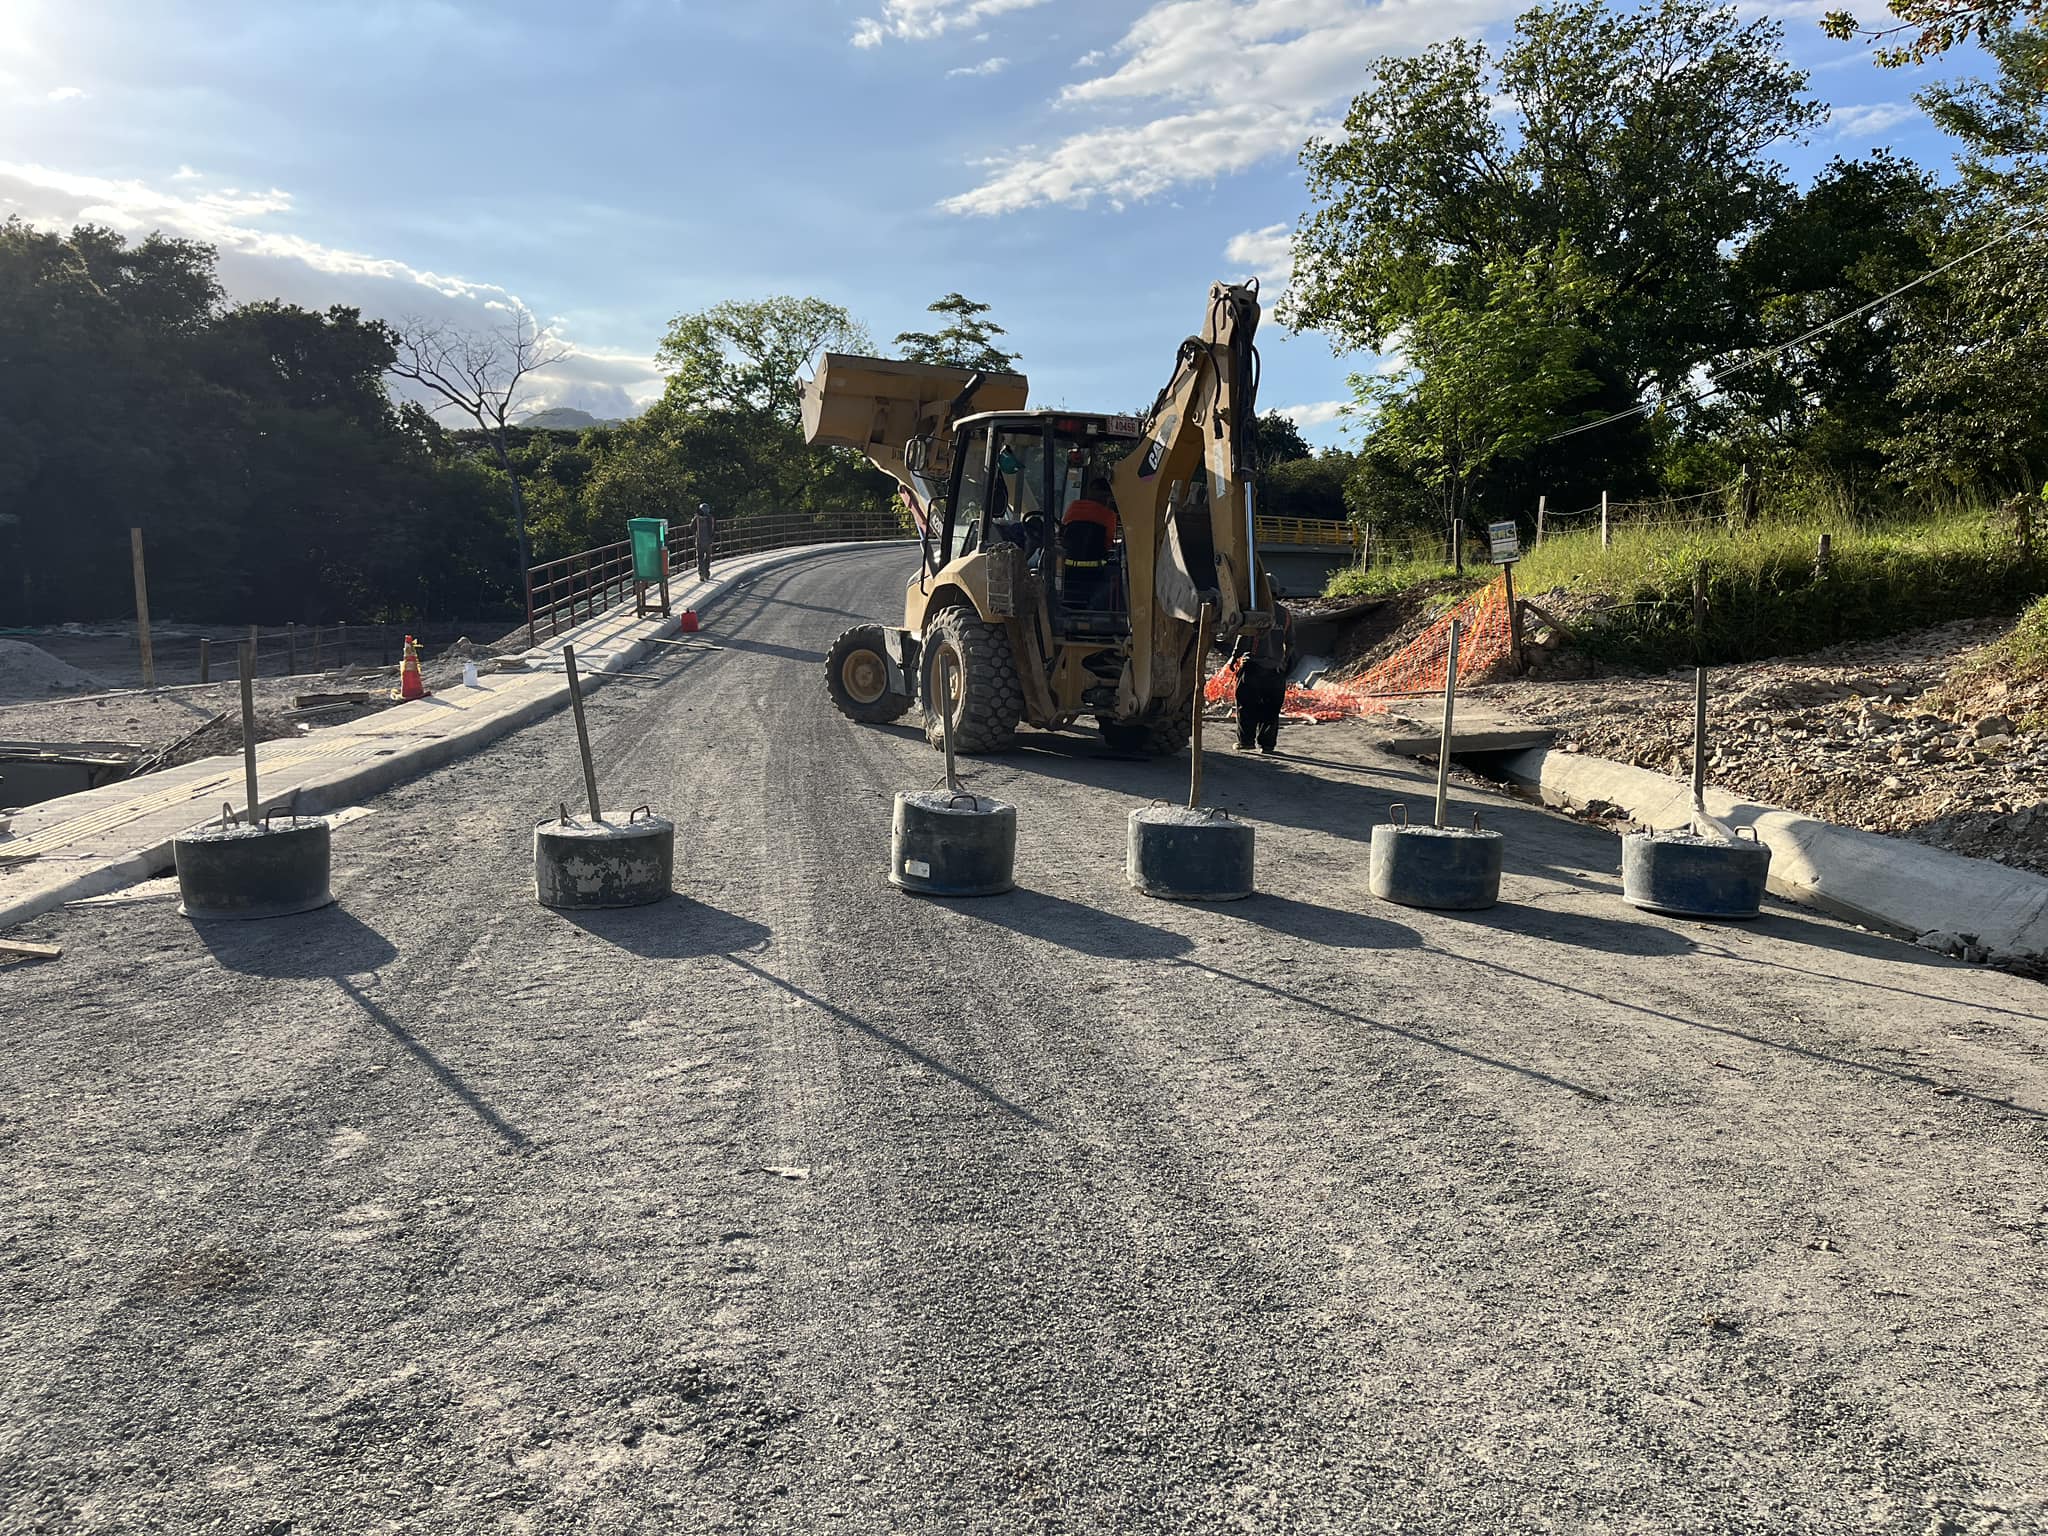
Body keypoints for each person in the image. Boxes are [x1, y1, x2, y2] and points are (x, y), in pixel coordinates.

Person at [1231, 590, 1296, 754]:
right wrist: (1283, 661)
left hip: (1253, 667)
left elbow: (1244, 638)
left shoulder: (1256, 612)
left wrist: (1234, 658)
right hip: (1275, 671)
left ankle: (1246, 742)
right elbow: (1291, 643)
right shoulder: (1285, 614)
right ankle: (1267, 745)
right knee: (1271, 709)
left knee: (1246, 706)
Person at [694, 502, 716, 582]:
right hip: (708, 542)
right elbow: (714, 530)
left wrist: (696, 534)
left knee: (700, 557)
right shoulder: (711, 518)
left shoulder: (697, 518)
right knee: (707, 558)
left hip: (699, 541)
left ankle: (701, 574)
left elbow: (691, 527)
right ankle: (707, 574)